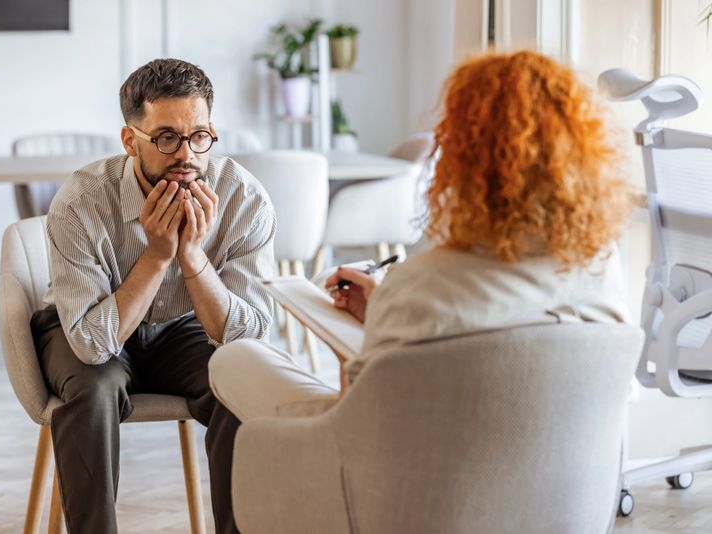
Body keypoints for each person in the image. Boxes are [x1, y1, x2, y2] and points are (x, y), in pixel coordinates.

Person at [208, 49, 633, 424]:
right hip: (564, 489)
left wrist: (390, 305)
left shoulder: (423, 284)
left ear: (460, 156)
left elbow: (365, 404)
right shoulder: (603, 265)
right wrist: (381, 306)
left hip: (386, 484)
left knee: (237, 358)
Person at [31, 58, 275, 534]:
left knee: (242, 379)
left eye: (199, 136)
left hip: (182, 327)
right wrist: (157, 257)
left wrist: (192, 258)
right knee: (93, 389)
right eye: (166, 138)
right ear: (130, 141)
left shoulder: (244, 198)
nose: (187, 154)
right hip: (85, 325)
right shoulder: (81, 200)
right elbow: (91, 346)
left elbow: (250, 334)